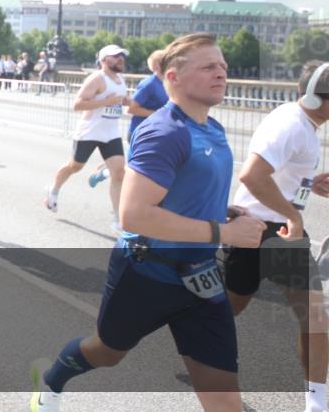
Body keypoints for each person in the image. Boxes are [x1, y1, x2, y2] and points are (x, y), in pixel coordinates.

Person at [30, 33, 265, 412]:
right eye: (209, 67)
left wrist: (224, 212)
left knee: (223, 396)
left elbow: (188, 191)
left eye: (223, 66)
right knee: (106, 352)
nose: (221, 73)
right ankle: (53, 379)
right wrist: (224, 232)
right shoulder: (164, 132)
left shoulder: (214, 128)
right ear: (172, 77)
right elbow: (134, 214)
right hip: (148, 274)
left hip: (202, 277)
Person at [225, 60, 329, 412]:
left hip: (276, 229)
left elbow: (275, 172)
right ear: (320, 100)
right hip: (259, 227)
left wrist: (307, 184)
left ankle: (317, 401)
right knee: (228, 307)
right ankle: (196, 348)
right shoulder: (292, 126)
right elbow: (252, 176)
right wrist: (292, 214)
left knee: (315, 314)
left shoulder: (303, 120)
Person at [44, 44, 131, 233]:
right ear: (104, 60)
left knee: (119, 174)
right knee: (75, 167)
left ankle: (118, 219)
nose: (120, 59)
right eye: (116, 56)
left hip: (111, 133)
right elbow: (78, 104)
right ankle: (54, 189)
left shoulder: (120, 79)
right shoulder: (97, 79)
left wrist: (128, 102)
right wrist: (107, 101)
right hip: (89, 132)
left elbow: (121, 100)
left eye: (122, 56)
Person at [90, 49, 168, 188]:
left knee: (143, 168)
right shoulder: (149, 84)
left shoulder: (167, 83)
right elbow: (132, 108)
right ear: (157, 66)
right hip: (141, 132)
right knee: (137, 170)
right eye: (167, 61)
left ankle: (106, 170)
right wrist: (157, 114)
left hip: (158, 133)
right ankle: (106, 174)